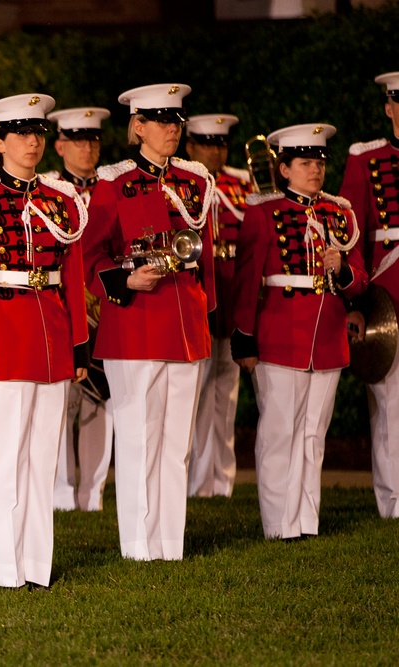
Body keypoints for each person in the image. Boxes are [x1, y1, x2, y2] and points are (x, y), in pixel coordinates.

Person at [0, 94, 90, 588]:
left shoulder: (60, 198)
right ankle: (6, 570)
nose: (33, 142)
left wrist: (78, 344)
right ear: (0, 143)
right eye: (22, 134)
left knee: (41, 459)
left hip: (51, 337)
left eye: (38, 133)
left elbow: (72, 277)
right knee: (5, 457)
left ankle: (36, 567)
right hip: (1, 338)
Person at [83, 83, 216, 561]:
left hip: (186, 324)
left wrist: (208, 313)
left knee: (176, 444)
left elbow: (207, 257)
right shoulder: (113, 182)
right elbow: (89, 254)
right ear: (137, 127)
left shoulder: (195, 181)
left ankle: (169, 545)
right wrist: (124, 280)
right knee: (140, 440)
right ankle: (140, 547)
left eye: (175, 121)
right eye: (160, 121)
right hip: (135, 324)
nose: (171, 129)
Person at [233, 123, 367, 540]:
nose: (315, 170)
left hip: (327, 336)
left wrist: (343, 270)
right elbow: (246, 281)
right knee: (279, 433)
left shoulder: (340, 213)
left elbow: (360, 279)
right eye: (306, 163)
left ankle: (306, 521)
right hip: (280, 335)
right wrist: (244, 337)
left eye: (319, 163)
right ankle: (278, 525)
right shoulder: (263, 212)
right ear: (284, 169)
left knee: (313, 434)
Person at [45, 106, 115, 512]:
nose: (87, 148)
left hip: (105, 308)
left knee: (100, 401)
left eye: (92, 140)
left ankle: (92, 494)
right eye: (77, 141)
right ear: (59, 146)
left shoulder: (113, 187)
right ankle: (61, 492)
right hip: (62, 307)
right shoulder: (49, 191)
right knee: (61, 401)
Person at [339, 71, 399, 519]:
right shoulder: (366, 159)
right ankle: (394, 502)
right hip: (387, 296)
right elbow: (350, 238)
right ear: (389, 106)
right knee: (390, 403)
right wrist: (355, 304)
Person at [184, 114, 252, 498]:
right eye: (208, 144)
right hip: (201, 292)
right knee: (196, 392)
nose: (216, 151)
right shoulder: (186, 183)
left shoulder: (240, 184)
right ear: (190, 146)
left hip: (230, 291)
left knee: (226, 391)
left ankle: (221, 481)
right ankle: (197, 481)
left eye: (221, 144)